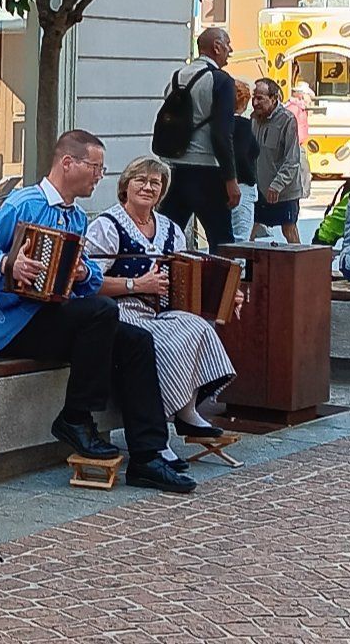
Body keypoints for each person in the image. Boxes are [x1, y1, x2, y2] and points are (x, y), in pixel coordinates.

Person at [0, 129, 196, 494]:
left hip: (50, 318)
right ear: (68, 163)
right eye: (96, 167)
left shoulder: (75, 218)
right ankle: (76, 417)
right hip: (9, 325)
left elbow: (86, 277)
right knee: (100, 313)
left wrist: (84, 272)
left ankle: (147, 455)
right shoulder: (22, 205)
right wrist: (7, 263)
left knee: (136, 340)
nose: (101, 176)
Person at [84, 156, 239, 468]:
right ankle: (157, 434)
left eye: (156, 183)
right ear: (125, 186)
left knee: (198, 327)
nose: (148, 187)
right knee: (163, 343)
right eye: (141, 180)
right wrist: (136, 283)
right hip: (118, 310)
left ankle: (187, 411)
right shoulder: (107, 225)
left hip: (158, 310)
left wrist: (224, 296)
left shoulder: (170, 229)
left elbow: (188, 275)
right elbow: (89, 282)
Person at [158, 27, 239, 251]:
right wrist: (230, 179)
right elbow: (222, 134)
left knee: (167, 236)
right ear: (217, 47)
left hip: (176, 168)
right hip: (208, 171)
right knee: (221, 242)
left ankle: (163, 281)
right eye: (228, 44)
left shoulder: (177, 77)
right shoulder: (221, 81)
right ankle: (219, 286)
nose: (230, 50)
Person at [251, 77, 303, 244]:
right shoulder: (254, 119)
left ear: (274, 99)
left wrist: (278, 184)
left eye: (260, 98)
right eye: (254, 97)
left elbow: (292, 159)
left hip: (284, 191)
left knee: (289, 229)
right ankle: (242, 266)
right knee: (249, 229)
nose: (255, 102)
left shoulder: (287, 120)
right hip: (260, 189)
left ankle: (300, 268)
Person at [231, 80, 259, 243]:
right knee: (240, 239)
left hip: (218, 185)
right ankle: (238, 269)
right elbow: (242, 155)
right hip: (241, 185)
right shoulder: (242, 125)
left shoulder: (215, 124)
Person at [285, 80, 314, 200]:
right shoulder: (295, 108)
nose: (310, 100)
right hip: (295, 144)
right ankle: (302, 193)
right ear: (302, 95)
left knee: (302, 169)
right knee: (302, 169)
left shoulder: (296, 107)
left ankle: (302, 192)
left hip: (297, 143)